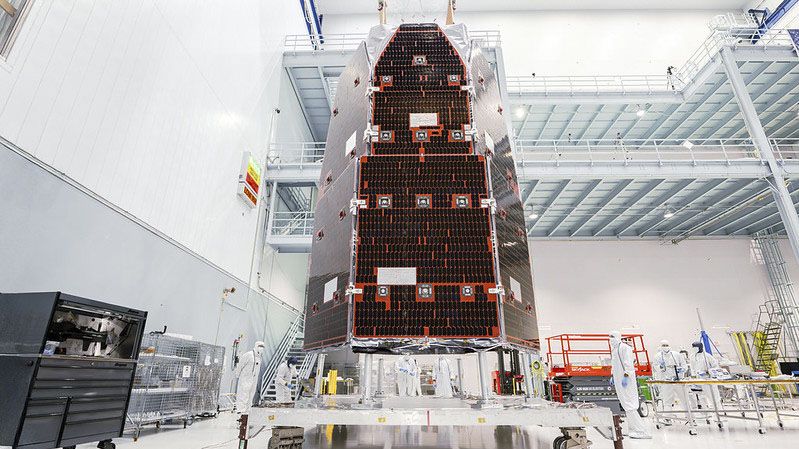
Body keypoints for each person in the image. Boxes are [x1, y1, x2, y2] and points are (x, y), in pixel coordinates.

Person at [609, 331, 651, 439]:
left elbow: (628, 364)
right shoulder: (614, 350)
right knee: (625, 404)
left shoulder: (625, 348)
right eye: (609, 337)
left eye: (612, 337)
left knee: (630, 404)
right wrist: (612, 375)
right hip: (618, 380)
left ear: (618, 337)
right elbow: (614, 364)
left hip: (626, 380)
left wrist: (626, 376)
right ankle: (633, 429)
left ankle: (641, 431)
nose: (610, 339)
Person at [653, 340, 689, 424]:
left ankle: (690, 417)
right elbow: (655, 367)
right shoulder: (657, 356)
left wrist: (682, 370)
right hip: (666, 381)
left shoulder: (677, 354)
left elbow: (684, 365)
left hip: (678, 381)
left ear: (670, 345)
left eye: (666, 345)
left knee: (684, 399)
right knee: (667, 401)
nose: (665, 347)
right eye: (663, 345)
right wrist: (660, 367)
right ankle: (667, 418)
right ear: (661, 346)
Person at [689, 341, 720, 412]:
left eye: (695, 347)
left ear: (700, 347)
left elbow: (715, 366)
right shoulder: (692, 356)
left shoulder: (707, 356)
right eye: (693, 347)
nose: (694, 349)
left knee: (714, 397)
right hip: (698, 380)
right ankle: (706, 413)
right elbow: (692, 368)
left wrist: (707, 372)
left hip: (708, 379)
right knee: (701, 396)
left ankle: (718, 411)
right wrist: (693, 377)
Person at [234, 341, 265, 413]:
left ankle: (247, 410)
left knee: (251, 394)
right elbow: (240, 365)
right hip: (245, 378)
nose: (261, 348)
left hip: (254, 379)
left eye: (263, 347)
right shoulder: (248, 355)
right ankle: (241, 410)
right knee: (243, 394)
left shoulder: (259, 358)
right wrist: (237, 374)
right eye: (260, 346)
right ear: (256, 346)